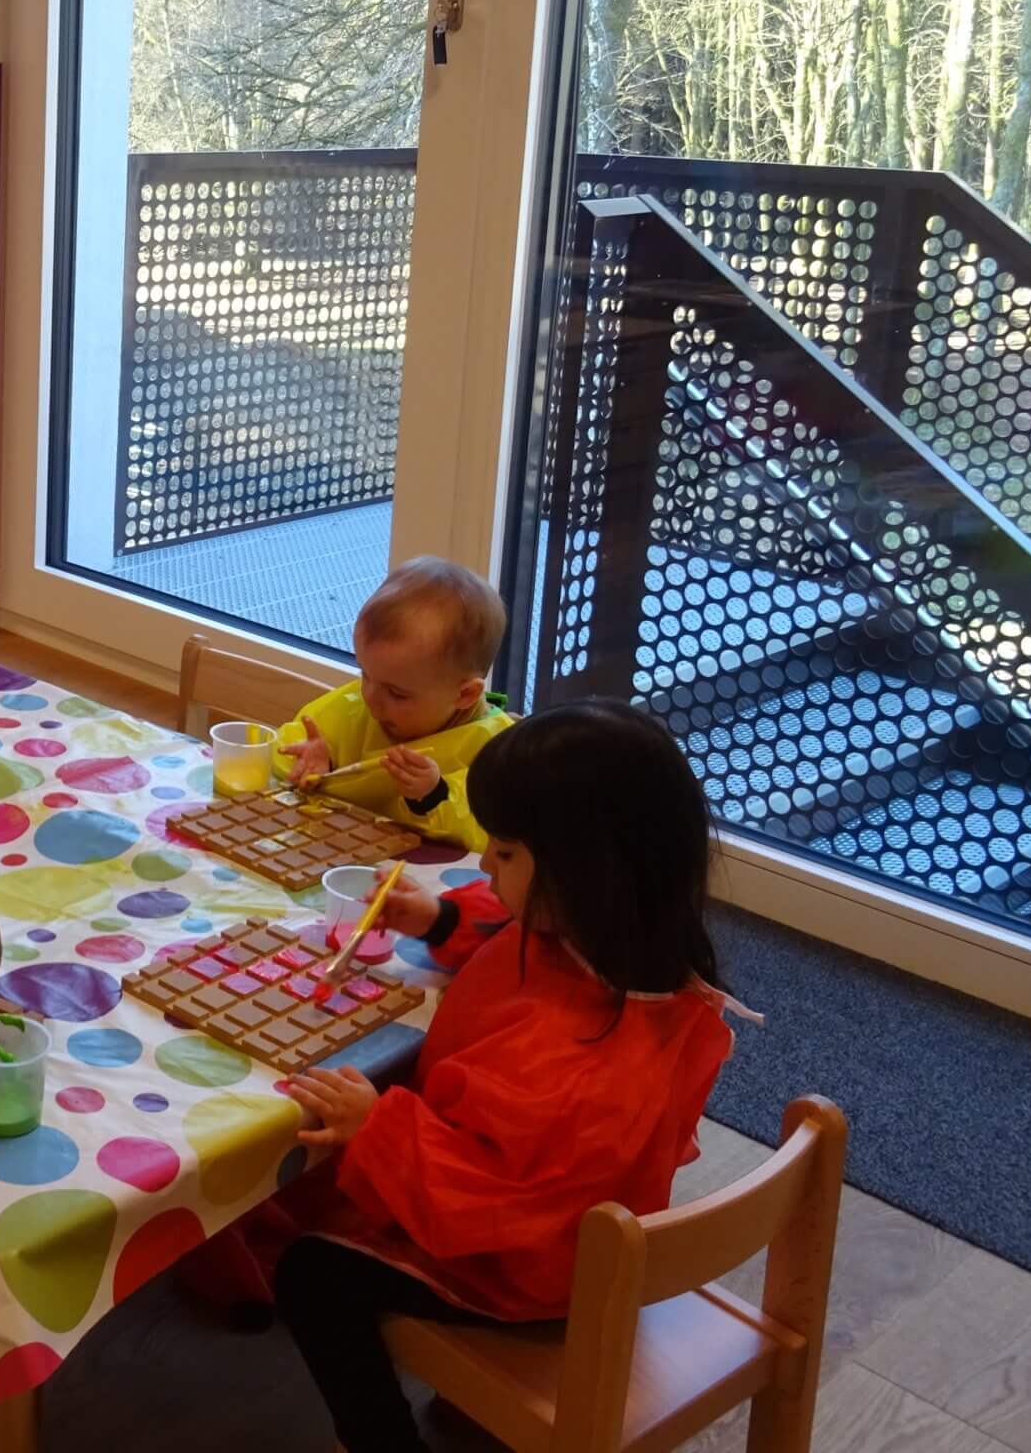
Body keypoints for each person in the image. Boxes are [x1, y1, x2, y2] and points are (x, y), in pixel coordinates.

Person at [269, 701, 744, 1453]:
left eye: (507, 851)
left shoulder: (579, 1070)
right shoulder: (615, 940)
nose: (486, 864)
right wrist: (436, 918)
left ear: (586, 872)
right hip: (561, 1221)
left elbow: (489, 1206)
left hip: (528, 1268)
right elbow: (508, 926)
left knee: (311, 1273)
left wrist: (379, 1128)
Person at [275, 555, 514, 852]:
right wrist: (316, 763)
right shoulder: (363, 701)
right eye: (364, 674)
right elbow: (282, 746)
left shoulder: (496, 750)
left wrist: (434, 796)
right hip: (333, 854)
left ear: (464, 695)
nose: (370, 699)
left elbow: (491, 835)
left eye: (397, 694)